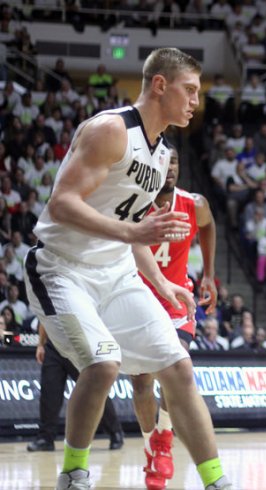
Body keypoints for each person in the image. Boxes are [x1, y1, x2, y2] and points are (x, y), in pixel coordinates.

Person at [23, 48, 231, 490]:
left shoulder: (160, 157)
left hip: (117, 273)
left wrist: (160, 281)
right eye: (189, 90)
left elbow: (132, 231)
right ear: (160, 85)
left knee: (178, 366)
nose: (196, 100)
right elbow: (61, 204)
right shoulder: (110, 129)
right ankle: (74, 474)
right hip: (62, 268)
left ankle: (217, 481)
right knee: (103, 364)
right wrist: (133, 234)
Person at [129, 148, 218, 490]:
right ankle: (151, 443)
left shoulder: (194, 203)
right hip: (138, 302)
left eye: (176, 161)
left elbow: (209, 227)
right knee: (140, 384)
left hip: (177, 300)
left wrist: (208, 274)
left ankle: (164, 437)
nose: (169, 168)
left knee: (174, 366)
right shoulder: (133, 206)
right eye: (163, 161)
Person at [27, 323, 124, 453]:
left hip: (78, 344)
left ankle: (115, 432)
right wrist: (41, 344)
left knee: (95, 389)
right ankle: (45, 438)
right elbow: (44, 318)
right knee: (49, 394)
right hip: (53, 346)